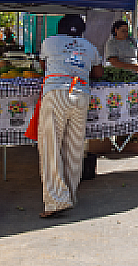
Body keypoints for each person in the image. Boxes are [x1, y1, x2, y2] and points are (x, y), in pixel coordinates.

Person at [37, 14, 103, 218]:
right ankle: (70, 197)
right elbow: (98, 73)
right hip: (81, 93)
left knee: (51, 147)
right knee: (74, 148)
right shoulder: (89, 46)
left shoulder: (49, 42)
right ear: (81, 30)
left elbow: (43, 66)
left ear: (59, 28)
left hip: (57, 92)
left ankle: (57, 200)